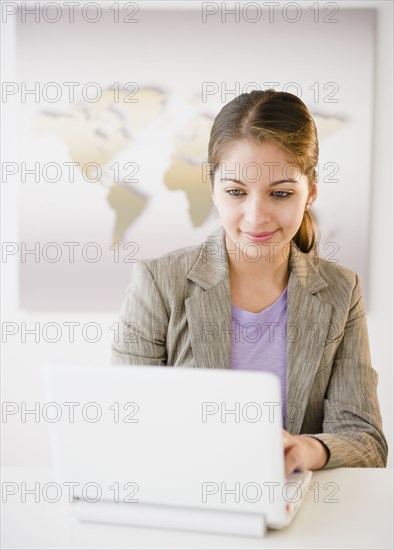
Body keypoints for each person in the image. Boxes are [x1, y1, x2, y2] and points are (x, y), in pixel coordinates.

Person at [111, 89, 388, 475]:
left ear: (310, 193)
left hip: (298, 517)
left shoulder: (342, 291)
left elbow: (365, 441)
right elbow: (122, 426)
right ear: (212, 188)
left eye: (280, 193)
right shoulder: (158, 282)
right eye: (236, 192)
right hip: (186, 497)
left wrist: (305, 450)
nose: (256, 217)